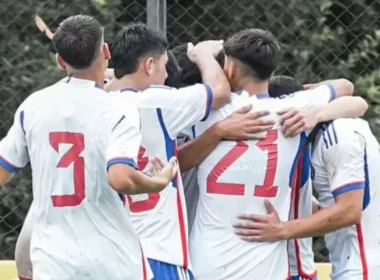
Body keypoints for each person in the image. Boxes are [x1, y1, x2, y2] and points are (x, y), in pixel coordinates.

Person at [175, 28, 365, 279]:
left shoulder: (208, 113)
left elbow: (178, 161)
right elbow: (345, 86)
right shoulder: (294, 109)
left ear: (229, 68)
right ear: (272, 72)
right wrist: (313, 109)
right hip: (267, 268)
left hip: (208, 264)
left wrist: (205, 55)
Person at [0, 15, 177, 280]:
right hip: (113, 261)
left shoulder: (33, 106)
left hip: (53, 262)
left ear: (60, 62)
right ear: (106, 52)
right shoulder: (118, 108)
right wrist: (159, 181)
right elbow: (121, 177)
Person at [107, 23, 254, 279]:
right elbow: (220, 93)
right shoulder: (158, 102)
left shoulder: (98, 104)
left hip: (111, 253)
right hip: (158, 252)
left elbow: (176, 160)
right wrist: (204, 54)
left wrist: (216, 131)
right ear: (149, 65)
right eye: (164, 65)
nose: (167, 75)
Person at [234, 75, 380, 280]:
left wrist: (281, 229)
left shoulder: (339, 137)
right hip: (353, 264)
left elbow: (350, 211)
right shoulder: (326, 132)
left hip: (364, 270)